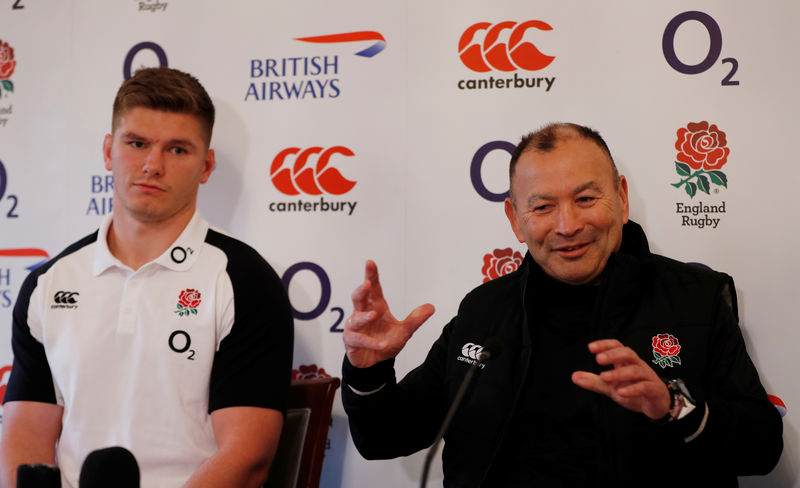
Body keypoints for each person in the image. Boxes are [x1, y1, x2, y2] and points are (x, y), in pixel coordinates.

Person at [341, 123, 782, 486]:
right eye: (543, 207)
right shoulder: (484, 312)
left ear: (622, 199)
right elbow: (385, 437)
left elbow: (763, 446)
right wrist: (368, 371)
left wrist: (673, 407)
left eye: (586, 199)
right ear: (516, 219)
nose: (568, 225)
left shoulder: (695, 297)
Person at [0, 67, 294, 488]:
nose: (152, 165)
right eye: (137, 144)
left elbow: (247, 458)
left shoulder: (245, 282)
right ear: (107, 151)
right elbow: (25, 436)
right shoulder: (49, 282)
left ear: (207, 165)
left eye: (177, 150)